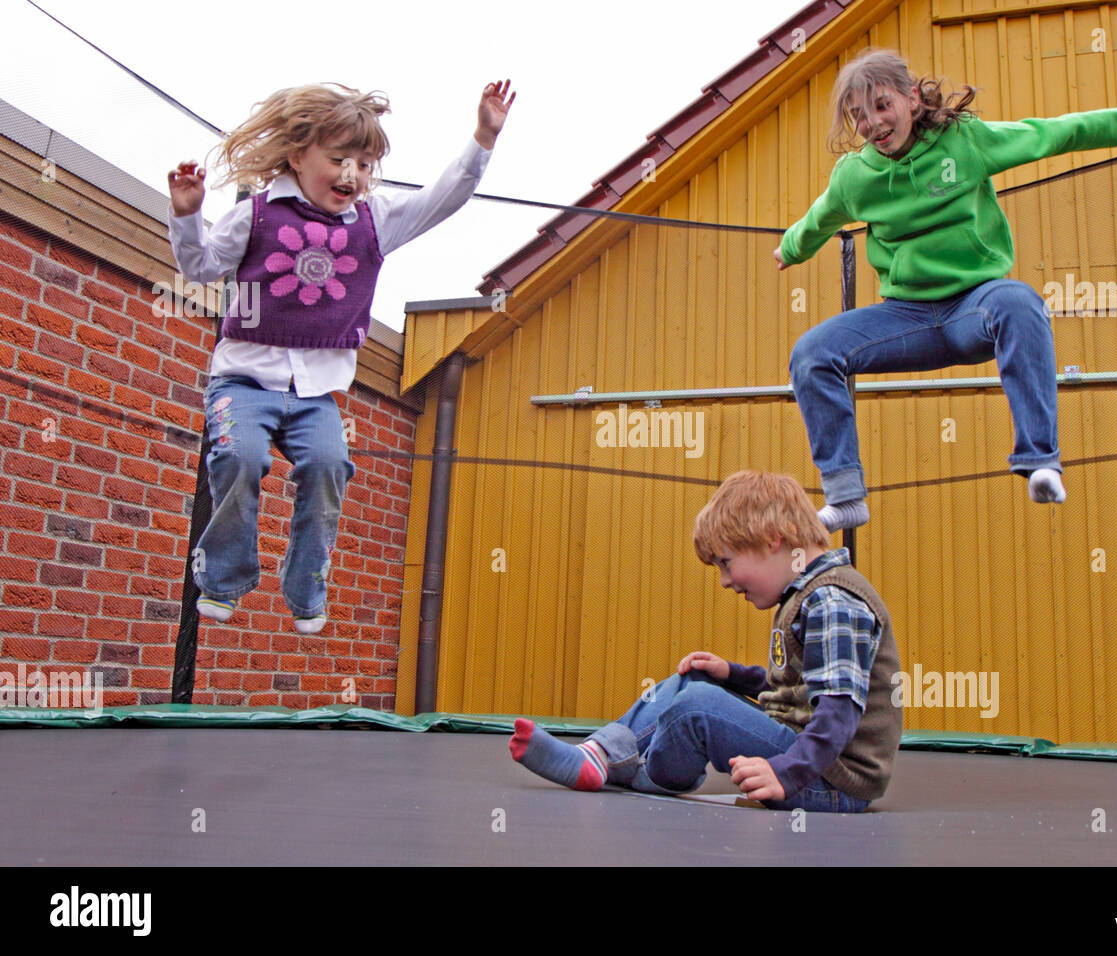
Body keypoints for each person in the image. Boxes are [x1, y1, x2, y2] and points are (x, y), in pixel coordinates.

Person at [774, 49, 1117, 531]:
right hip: (906, 319)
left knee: (1019, 301)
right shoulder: (856, 176)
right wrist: (791, 248)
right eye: (858, 116)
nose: (872, 123)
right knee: (813, 352)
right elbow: (822, 215)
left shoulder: (965, 142)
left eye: (881, 106)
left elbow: (1053, 134)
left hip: (975, 308)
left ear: (911, 98)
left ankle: (1040, 460)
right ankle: (846, 495)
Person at [167, 80, 515, 632]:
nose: (352, 175)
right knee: (240, 459)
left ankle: (307, 589)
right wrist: (187, 217)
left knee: (330, 468)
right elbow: (200, 268)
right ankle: (224, 580)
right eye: (338, 160)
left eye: (364, 162)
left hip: (316, 397)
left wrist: (482, 138)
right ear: (297, 156)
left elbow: (443, 198)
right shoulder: (256, 215)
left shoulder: (375, 221)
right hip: (243, 384)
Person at [509, 470, 902, 812]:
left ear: (772, 539)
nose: (725, 582)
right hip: (805, 757)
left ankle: (642, 774)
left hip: (828, 779)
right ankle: (597, 753)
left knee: (697, 706)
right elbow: (798, 691)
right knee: (692, 682)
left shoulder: (832, 600)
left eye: (726, 564)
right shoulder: (805, 594)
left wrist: (786, 772)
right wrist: (731, 673)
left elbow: (838, 710)